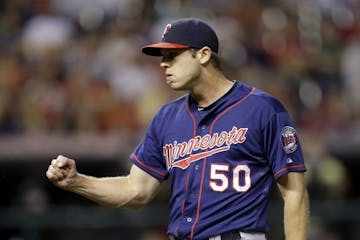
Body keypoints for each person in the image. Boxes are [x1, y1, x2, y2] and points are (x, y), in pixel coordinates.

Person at [46, 18, 309, 240]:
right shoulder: (167, 116)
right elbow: (136, 191)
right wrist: (77, 181)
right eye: (163, 57)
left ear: (204, 54)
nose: (163, 64)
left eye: (173, 56)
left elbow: (295, 192)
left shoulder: (262, 109)